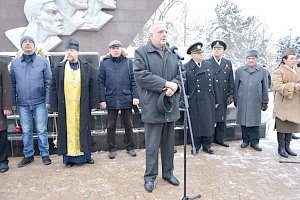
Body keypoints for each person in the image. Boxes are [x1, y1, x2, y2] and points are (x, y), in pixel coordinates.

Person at [133, 22, 181, 193]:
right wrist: (165, 84)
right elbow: (141, 76)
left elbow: (179, 75)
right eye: (160, 31)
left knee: (169, 144)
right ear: (150, 35)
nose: (164, 34)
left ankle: (168, 173)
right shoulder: (141, 52)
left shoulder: (172, 53)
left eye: (166, 31)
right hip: (152, 107)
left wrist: (174, 86)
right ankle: (149, 177)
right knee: (152, 146)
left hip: (170, 105)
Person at [50, 38, 99, 167]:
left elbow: (93, 85)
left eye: (72, 50)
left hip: (81, 106)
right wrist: (54, 106)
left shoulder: (87, 67)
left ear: (77, 52)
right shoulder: (59, 68)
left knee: (84, 129)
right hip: (65, 106)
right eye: (67, 50)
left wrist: (94, 104)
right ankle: (69, 159)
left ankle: (86, 156)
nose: (69, 53)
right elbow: (53, 87)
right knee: (67, 131)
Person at [10, 36, 52, 167]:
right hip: (22, 104)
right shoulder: (15, 63)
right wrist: (12, 101)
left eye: (30, 42)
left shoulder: (43, 62)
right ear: (21, 46)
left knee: (41, 129)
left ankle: (45, 154)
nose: (27, 44)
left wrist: (48, 99)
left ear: (34, 46)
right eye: (24, 42)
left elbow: (49, 82)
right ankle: (28, 155)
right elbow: (12, 84)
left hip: (40, 102)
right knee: (26, 131)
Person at [97, 40, 139, 159]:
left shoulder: (128, 62)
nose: (115, 50)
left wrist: (135, 96)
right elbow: (100, 82)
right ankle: (111, 148)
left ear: (121, 49)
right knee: (111, 126)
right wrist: (102, 99)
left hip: (126, 98)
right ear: (109, 50)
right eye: (113, 48)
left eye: (117, 48)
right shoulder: (104, 64)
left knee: (128, 125)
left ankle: (130, 147)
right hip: (111, 98)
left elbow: (134, 80)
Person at [185, 42, 220, 155]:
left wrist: (217, 100)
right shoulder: (186, 67)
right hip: (194, 100)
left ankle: (207, 144)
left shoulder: (208, 65)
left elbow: (214, 84)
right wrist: (184, 101)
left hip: (208, 99)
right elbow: (184, 87)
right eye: (198, 53)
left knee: (208, 123)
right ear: (192, 54)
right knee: (195, 123)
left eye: (201, 52)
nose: (201, 55)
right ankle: (195, 144)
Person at [234, 50, 269, 151]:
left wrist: (265, 101)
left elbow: (265, 87)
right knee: (243, 122)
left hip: (256, 101)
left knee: (255, 123)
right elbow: (236, 85)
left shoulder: (262, 71)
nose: (251, 60)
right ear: (246, 59)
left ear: (256, 60)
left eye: (253, 58)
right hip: (243, 100)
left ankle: (255, 142)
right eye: (249, 58)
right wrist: (235, 98)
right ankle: (245, 140)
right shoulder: (239, 71)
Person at [272, 48, 300, 158]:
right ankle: (281, 148)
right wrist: (293, 86)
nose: (295, 60)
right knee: (282, 126)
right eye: (292, 58)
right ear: (284, 60)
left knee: (291, 126)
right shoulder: (279, 71)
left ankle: (288, 147)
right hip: (283, 104)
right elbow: (277, 86)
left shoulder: (298, 70)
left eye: (295, 58)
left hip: (295, 104)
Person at [207, 40, 234, 147]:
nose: (217, 51)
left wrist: (231, 94)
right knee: (209, 119)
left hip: (223, 95)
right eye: (215, 49)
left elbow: (231, 79)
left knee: (222, 119)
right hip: (211, 95)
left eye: (219, 49)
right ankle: (208, 140)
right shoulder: (207, 62)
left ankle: (221, 138)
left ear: (223, 51)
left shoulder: (227, 63)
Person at [0, 60, 13, 173]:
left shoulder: (2, 64)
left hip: (0, 107)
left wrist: (7, 106)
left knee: (1, 134)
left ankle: (3, 161)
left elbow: (7, 87)